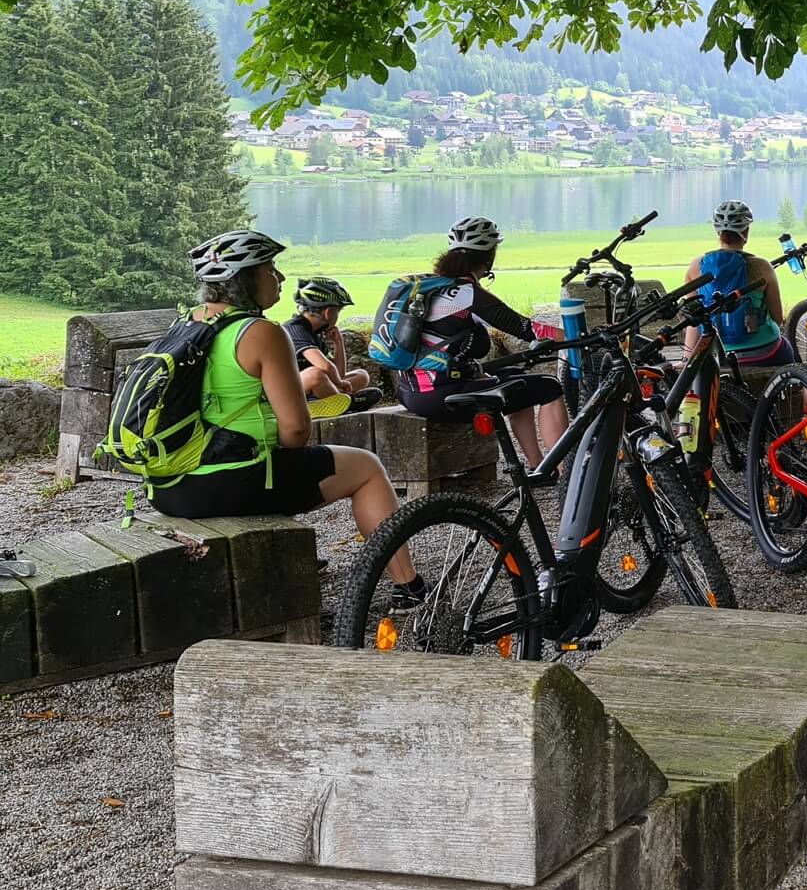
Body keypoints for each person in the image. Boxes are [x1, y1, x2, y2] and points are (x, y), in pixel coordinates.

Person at [153, 230, 422, 604]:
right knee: (366, 467)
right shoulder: (261, 332)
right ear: (244, 278)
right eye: (270, 268)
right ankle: (409, 588)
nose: (278, 278)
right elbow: (296, 432)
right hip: (228, 484)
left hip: (168, 486)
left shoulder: (185, 324)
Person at [393, 217, 567, 463]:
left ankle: (538, 466)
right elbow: (526, 328)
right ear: (489, 255)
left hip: (410, 389)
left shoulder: (434, 287)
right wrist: (576, 336)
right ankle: (564, 471)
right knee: (549, 386)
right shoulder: (467, 294)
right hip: (439, 394)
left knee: (520, 381)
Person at [681, 200, 795, 368]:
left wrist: (687, 361)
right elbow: (777, 317)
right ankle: (804, 392)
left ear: (718, 232)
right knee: (796, 365)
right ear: (746, 231)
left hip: (719, 357)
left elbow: (693, 320)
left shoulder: (696, 267)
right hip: (765, 352)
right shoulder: (762, 266)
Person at [285, 277, 382, 406]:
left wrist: (338, 342)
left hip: (307, 388)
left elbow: (338, 373)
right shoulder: (296, 329)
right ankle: (347, 403)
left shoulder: (315, 333)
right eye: (338, 311)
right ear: (328, 313)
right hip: (284, 390)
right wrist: (340, 383)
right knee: (316, 375)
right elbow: (325, 367)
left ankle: (327, 401)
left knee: (361, 375)